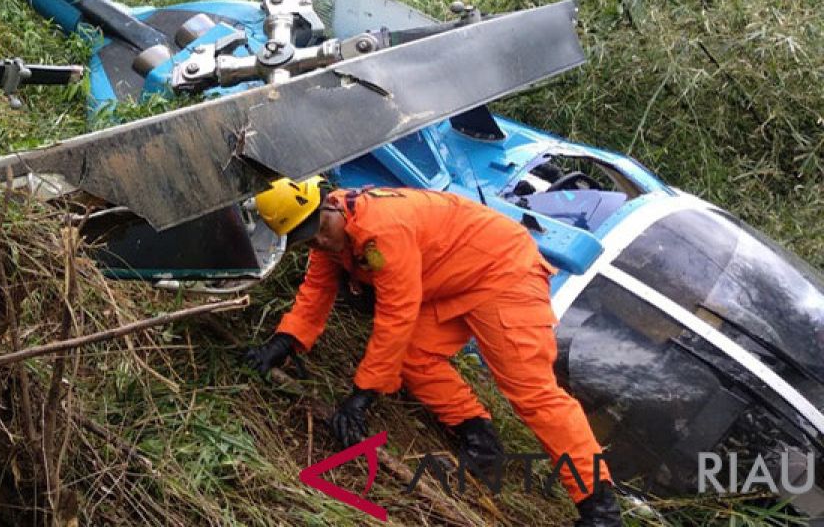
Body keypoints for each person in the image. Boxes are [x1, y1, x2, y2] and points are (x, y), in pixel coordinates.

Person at [243, 177, 623, 527]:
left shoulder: (383, 230)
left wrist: (362, 396)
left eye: (320, 232)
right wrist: (285, 341)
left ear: (330, 204)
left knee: (533, 394)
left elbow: (396, 315)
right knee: (412, 356)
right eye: (306, 240)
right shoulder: (330, 234)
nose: (320, 243)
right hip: (453, 281)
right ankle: (480, 437)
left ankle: (599, 507)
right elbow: (315, 292)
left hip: (504, 272)